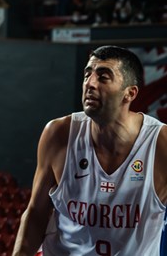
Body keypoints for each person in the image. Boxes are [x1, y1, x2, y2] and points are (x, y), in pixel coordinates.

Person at [12, 45, 167, 255]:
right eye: (88, 75)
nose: (90, 84)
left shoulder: (160, 143)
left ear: (129, 93)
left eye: (103, 77)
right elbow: (36, 213)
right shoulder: (59, 134)